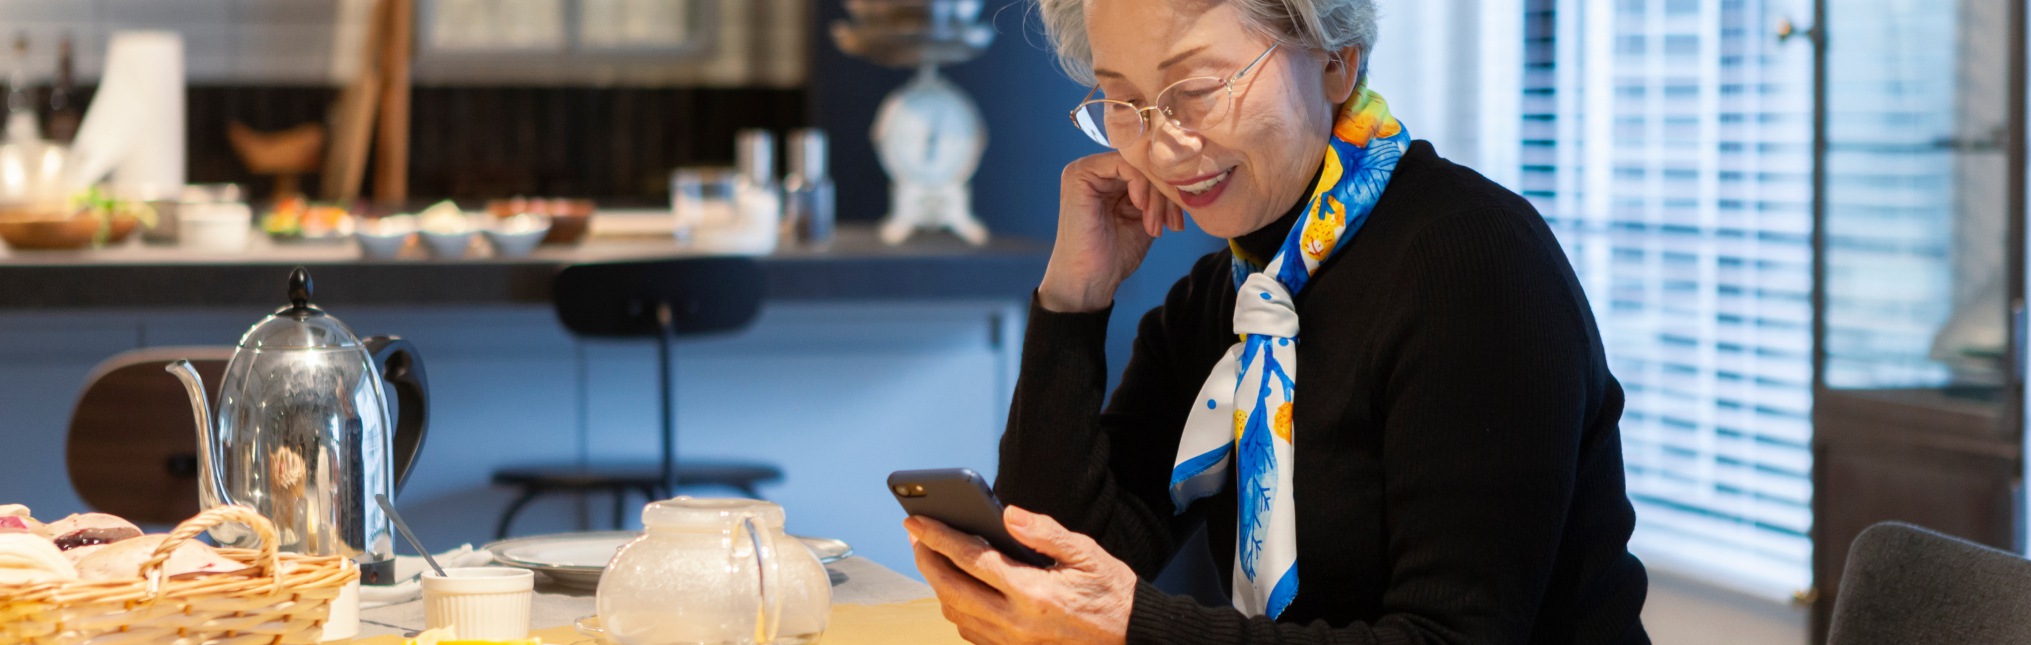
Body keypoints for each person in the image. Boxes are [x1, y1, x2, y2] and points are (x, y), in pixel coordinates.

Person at [901, 0, 1653, 642]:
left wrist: (1138, 628)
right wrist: (1073, 297)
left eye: (1193, 89)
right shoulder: (1222, 297)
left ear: (1335, 60)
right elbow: (1057, 564)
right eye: (1121, 104)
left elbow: (1451, 634)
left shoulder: (1472, 262)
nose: (1161, 146)